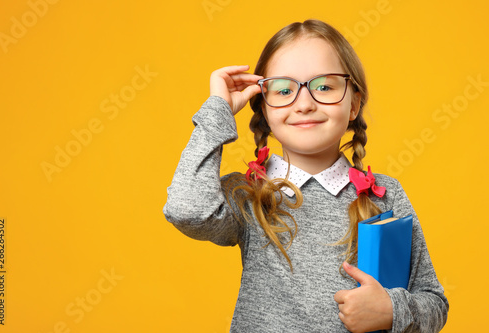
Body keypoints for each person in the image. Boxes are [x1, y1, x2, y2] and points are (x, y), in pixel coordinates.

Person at [163, 19, 448, 332]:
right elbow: (186, 210)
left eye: (324, 87)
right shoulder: (249, 192)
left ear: (354, 103)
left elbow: (433, 302)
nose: (304, 104)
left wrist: (392, 310)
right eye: (284, 90)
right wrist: (217, 110)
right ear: (265, 111)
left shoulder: (385, 193)